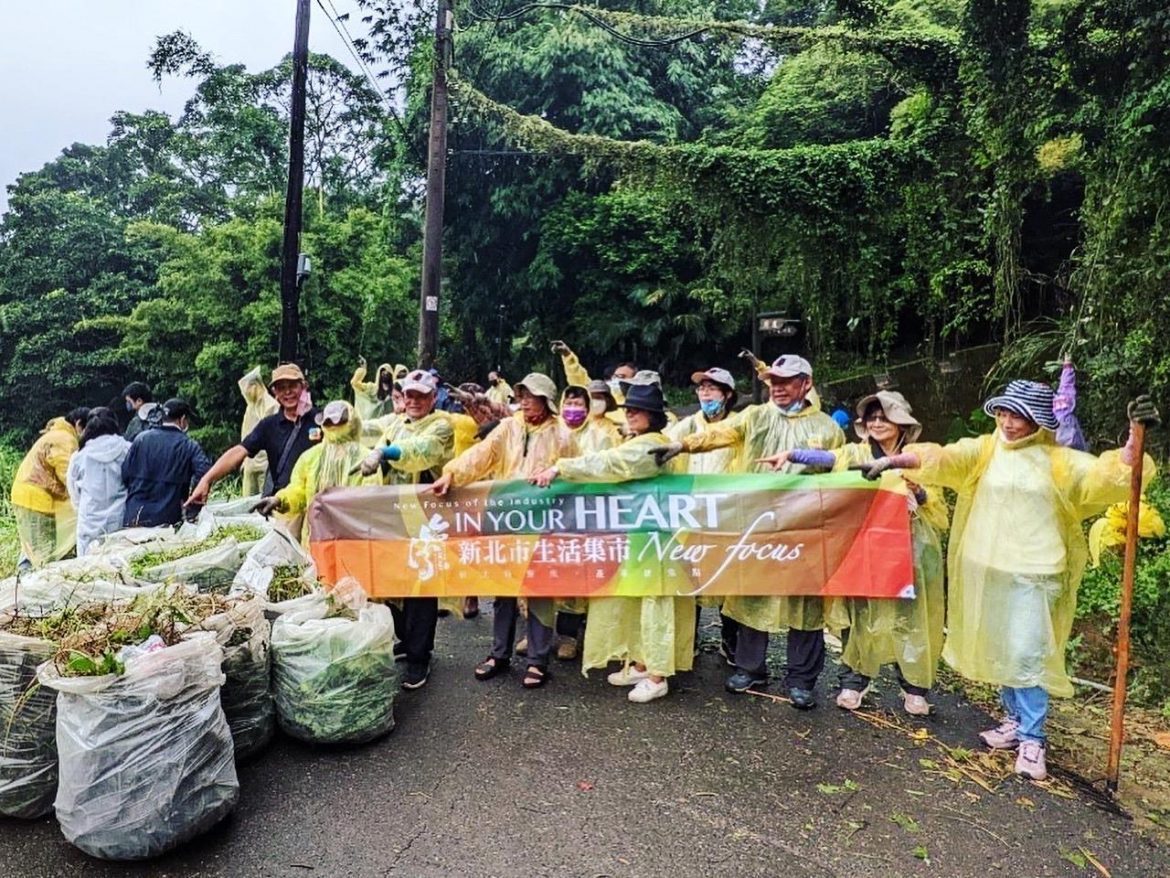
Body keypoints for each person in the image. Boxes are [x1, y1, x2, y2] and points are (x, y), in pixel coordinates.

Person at [854, 383, 1159, 780]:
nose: (1008, 423)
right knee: (1000, 647)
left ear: (1038, 421)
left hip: (1035, 571)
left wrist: (1135, 434)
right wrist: (895, 463)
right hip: (987, 566)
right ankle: (1014, 720)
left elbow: (1111, 474)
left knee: (1028, 652)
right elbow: (942, 458)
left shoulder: (1058, 461)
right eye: (1003, 413)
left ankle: (1033, 738)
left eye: (1018, 416)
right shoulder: (984, 450)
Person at [651, 355, 845, 708]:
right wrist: (682, 445)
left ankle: (801, 678)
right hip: (757, 521)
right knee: (752, 589)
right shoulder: (755, 416)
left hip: (804, 526)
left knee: (806, 600)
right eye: (773, 381)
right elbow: (720, 434)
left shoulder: (828, 428)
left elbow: (843, 470)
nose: (778, 387)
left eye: (787, 381)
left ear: (807, 383)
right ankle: (749, 667)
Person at [759, 390, 947, 716]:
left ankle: (914, 687)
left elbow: (938, 505)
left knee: (912, 616)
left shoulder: (918, 458)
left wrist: (920, 492)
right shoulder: (858, 452)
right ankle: (855, 679)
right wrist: (792, 455)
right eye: (871, 418)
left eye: (883, 417)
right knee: (859, 612)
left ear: (901, 422)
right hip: (865, 547)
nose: (876, 423)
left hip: (912, 547)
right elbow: (830, 459)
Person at [531, 383, 693, 703]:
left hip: (656, 538)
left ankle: (659, 674)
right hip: (637, 535)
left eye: (638, 410)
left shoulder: (653, 446)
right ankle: (643, 663)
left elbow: (609, 464)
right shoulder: (641, 440)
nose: (630, 413)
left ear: (654, 416)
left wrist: (561, 467)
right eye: (628, 408)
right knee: (636, 600)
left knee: (655, 603)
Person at [428, 373, 577, 689]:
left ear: (546, 401)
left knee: (540, 591)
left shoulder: (563, 435)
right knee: (502, 589)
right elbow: (481, 456)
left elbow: (575, 477)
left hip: (542, 523)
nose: (523, 400)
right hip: (507, 519)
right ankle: (499, 654)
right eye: (521, 394)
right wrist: (452, 475)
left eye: (530, 395)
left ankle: (538, 660)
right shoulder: (509, 427)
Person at [357, 370, 456, 690]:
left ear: (432, 397)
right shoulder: (396, 422)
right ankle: (404, 640)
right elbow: (367, 431)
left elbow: (421, 451)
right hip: (392, 515)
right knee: (392, 581)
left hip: (425, 518)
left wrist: (385, 452)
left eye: (421, 395)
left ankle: (419, 657)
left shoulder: (442, 425)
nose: (414, 401)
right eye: (409, 395)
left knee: (421, 585)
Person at [666, 368, 740, 662]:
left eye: (713, 388)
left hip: (729, 515)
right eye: (702, 388)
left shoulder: (738, 425)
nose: (705, 393)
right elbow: (664, 441)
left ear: (728, 395)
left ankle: (730, 641)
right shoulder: (688, 425)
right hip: (692, 515)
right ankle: (690, 639)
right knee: (690, 577)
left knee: (731, 581)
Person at [186, 364, 320, 509]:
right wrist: (206, 480)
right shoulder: (269, 425)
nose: (287, 392)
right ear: (275, 392)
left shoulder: (322, 420)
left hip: (318, 504)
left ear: (304, 386)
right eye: (281, 387)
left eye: (293, 386)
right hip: (283, 506)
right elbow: (239, 451)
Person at [253, 401, 375, 543]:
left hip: (352, 540)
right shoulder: (311, 458)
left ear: (352, 423)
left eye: (339, 422)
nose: (334, 428)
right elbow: (298, 490)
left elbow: (371, 500)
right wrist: (279, 499)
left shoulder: (366, 460)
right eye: (329, 423)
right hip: (316, 541)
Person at [11, 407, 89, 568]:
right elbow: (68, 475)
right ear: (79, 424)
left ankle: (29, 574)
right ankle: (28, 581)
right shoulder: (65, 439)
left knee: (33, 542)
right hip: (35, 497)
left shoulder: (57, 434)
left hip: (32, 495)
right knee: (41, 546)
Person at [122, 399, 211, 528]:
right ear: (183, 419)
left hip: (135, 515)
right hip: (168, 518)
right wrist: (191, 506)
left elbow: (125, 474)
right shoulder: (188, 445)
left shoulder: (141, 439)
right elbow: (204, 472)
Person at [67, 408, 131, 555]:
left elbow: (73, 491)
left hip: (89, 516)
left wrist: (82, 506)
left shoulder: (79, 456)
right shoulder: (127, 449)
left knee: (87, 566)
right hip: (120, 514)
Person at [238, 367, 279, 496]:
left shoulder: (271, 405)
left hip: (265, 463)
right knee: (247, 499)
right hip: (250, 460)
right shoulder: (250, 408)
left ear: (255, 386)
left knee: (264, 498)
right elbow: (246, 434)